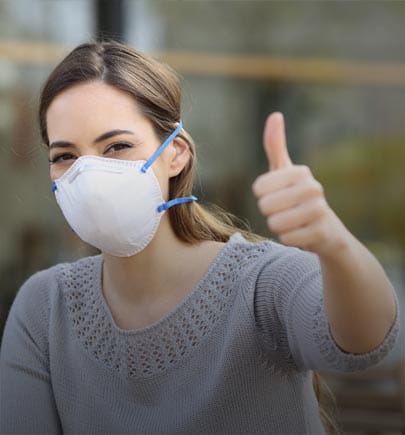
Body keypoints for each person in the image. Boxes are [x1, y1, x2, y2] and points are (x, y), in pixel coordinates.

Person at [0, 38, 400, 435]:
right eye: (65, 156)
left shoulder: (261, 282)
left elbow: (365, 343)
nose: (88, 175)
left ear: (176, 153)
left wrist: (333, 243)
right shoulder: (44, 308)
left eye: (117, 146)